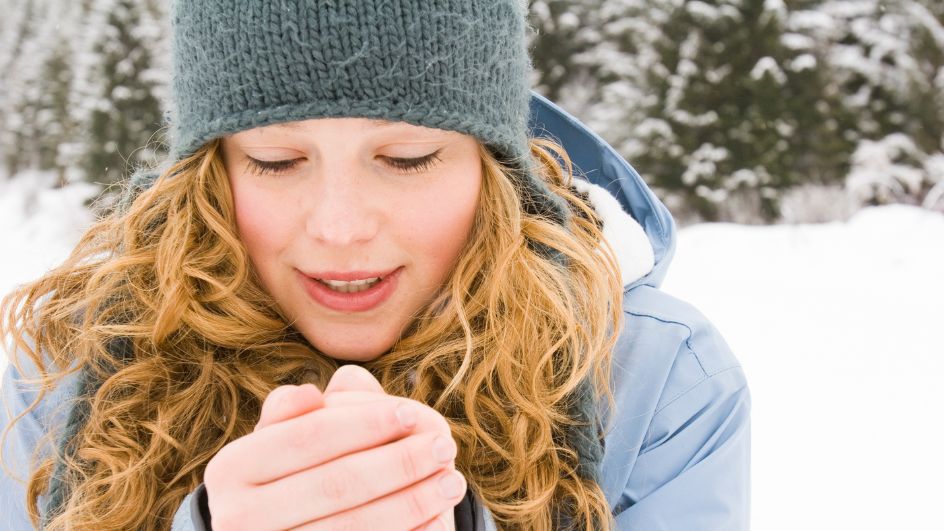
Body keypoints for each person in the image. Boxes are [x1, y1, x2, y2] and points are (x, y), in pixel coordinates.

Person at [0, 0, 751, 529]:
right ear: (210, 172)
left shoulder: (656, 380)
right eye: (276, 160)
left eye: (407, 158)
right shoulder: (60, 383)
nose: (339, 227)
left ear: (496, 169)